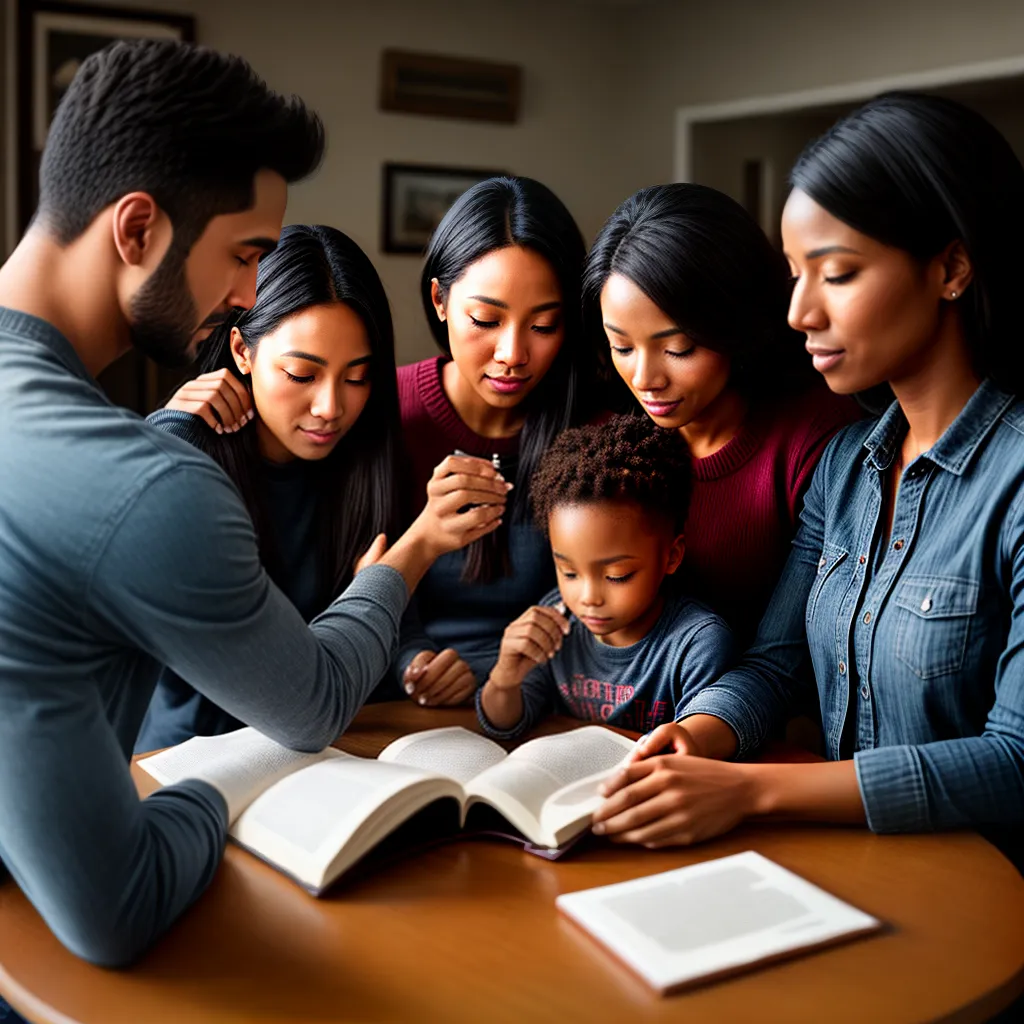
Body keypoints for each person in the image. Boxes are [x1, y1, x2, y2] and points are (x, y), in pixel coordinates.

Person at [0, 40, 507, 967]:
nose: (244, 295)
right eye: (245, 255)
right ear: (137, 229)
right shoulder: (148, 482)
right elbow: (115, 910)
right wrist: (222, 793)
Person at [591, 93, 1024, 871]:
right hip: (846, 865)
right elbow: (777, 661)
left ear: (951, 268)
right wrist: (698, 736)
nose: (798, 312)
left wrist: (751, 790)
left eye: (838, 274)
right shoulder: (847, 466)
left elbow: (1015, 761)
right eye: (796, 275)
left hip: (985, 891)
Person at [136, 223, 428, 750]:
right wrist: (165, 435)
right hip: (192, 756)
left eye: (357, 377)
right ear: (242, 351)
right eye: (301, 374)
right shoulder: (187, 464)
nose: (331, 408)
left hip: (336, 750)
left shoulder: (366, 460)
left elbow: (380, 634)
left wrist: (415, 659)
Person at [583, 183, 859, 646]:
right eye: (622, 347)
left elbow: (792, 648)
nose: (646, 378)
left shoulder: (817, 438)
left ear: (736, 324)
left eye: (678, 348)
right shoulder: (605, 443)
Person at [394, 176, 594, 706]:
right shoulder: (386, 411)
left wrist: (500, 673)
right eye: (486, 319)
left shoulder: (590, 428)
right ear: (439, 300)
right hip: (395, 702)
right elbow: (356, 581)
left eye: (543, 326)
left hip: (544, 700)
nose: (513, 354)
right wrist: (410, 662)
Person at [477, 415, 735, 740]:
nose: (588, 597)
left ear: (671, 556)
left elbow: (700, 748)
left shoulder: (696, 646)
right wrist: (505, 679)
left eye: (617, 576)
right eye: (569, 572)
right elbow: (504, 724)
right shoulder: (556, 622)